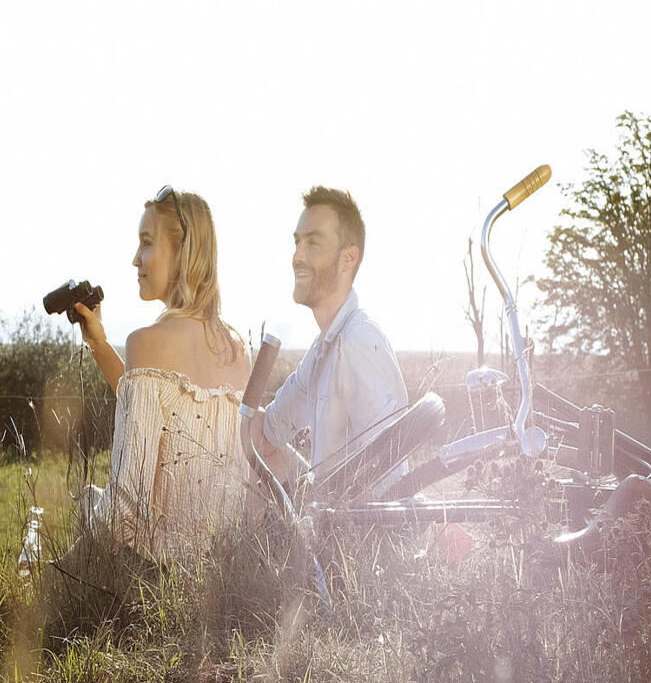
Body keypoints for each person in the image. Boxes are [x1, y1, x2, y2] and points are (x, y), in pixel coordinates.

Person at [68, 186, 254, 561]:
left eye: (146, 243)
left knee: (88, 505)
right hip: (217, 570)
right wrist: (101, 347)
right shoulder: (238, 351)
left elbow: (124, 507)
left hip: (152, 575)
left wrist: (61, 565)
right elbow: (170, 417)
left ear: (182, 253)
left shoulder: (146, 341)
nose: (135, 259)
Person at [251, 185, 408, 486]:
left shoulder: (358, 341)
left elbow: (391, 477)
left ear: (348, 258)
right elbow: (269, 430)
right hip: (323, 517)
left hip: (355, 530)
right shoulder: (324, 347)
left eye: (314, 243)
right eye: (297, 242)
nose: (297, 256)